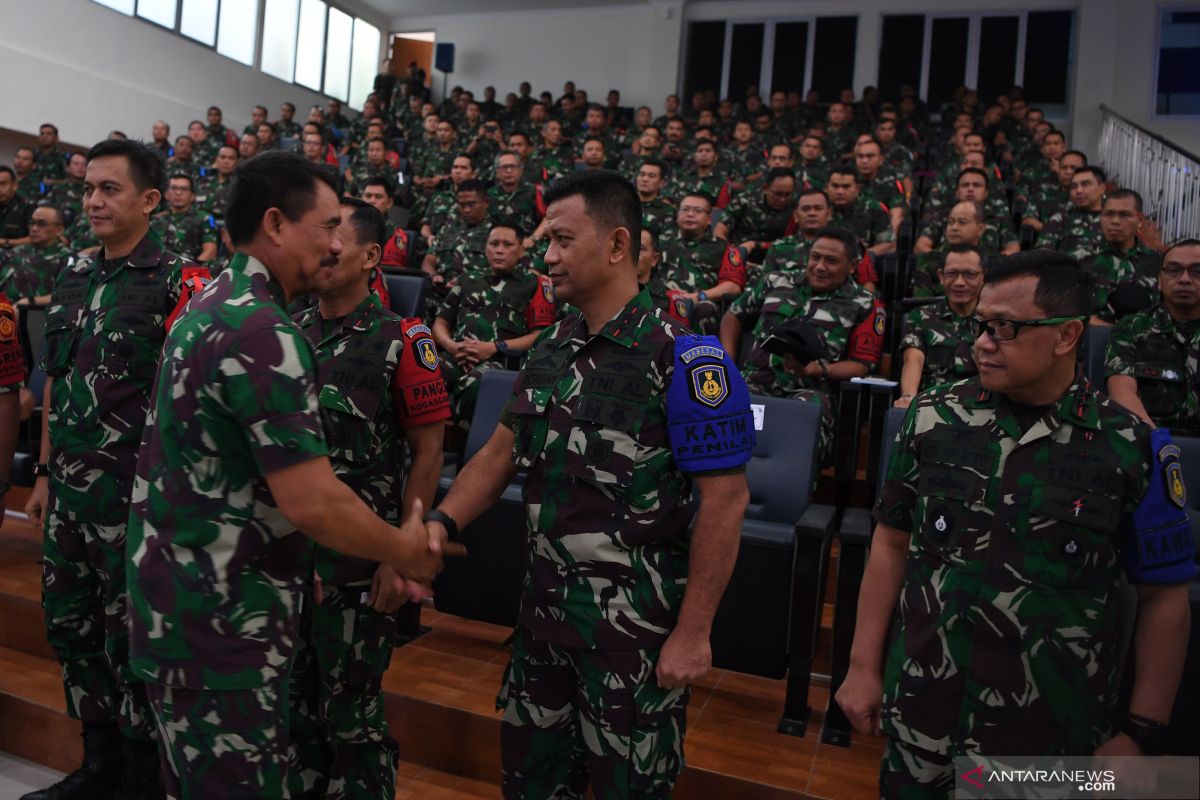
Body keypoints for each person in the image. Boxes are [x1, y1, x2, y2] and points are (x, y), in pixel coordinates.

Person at [124, 151, 460, 798]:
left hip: (186, 609)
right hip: (224, 623)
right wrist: (406, 550)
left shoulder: (214, 305)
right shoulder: (262, 329)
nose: (337, 244)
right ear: (276, 225)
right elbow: (312, 503)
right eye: (328, 225)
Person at [428, 170, 753, 798]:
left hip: (630, 640)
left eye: (560, 240)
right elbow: (499, 454)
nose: (544, 256)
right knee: (530, 784)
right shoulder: (551, 345)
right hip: (541, 625)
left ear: (616, 245)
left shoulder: (689, 358)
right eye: (545, 240)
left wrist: (693, 631)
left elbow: (726, 498)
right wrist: (441, 524)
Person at [836, 249, 1193, 799]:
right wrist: (863, 667)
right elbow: (890, 542)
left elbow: (1164, 598)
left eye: (1006, 328)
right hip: (924, 709)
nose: (982, 341)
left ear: (1067, 335)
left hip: (1047, 733)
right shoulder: (933, 415)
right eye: (982, 324)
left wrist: (1141, 732)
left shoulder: (1131, 447)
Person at [22, 138, 212, 800]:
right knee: (72, 630)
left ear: (151, 200)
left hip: (139, 501)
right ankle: (97, 767)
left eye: (110, 189)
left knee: (132, 642)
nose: (93, 201)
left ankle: (137, 780)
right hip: (72, 495)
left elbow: (193, 402)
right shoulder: (74, 273)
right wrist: (44, 472)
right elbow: (56, 379)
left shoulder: (180, 281)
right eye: (88, 189)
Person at [288, 197, 450, 800]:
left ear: (371, 256)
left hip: (357, 564)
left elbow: (428, 455)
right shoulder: (285, 332)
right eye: (319, 234)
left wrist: (400, 555)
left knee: (351, 718)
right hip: (284, 558)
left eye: (337, 237)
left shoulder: (402, 341)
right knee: (290, 712)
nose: (324, 250)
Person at [433, 222, 555, 427]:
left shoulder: (534, 285)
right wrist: (452, 346)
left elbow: (541, 334)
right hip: (457, 354)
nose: (499, 250)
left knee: (475, 384)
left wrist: (493, 347)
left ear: (521, 250)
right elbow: (440, 323)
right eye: (494, 244)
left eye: (507, 245)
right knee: (425, 372)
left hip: (499, 360)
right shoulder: (466, 280)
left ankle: (464, 445)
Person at [1105, 239, 1200, 436]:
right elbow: (1122, 392)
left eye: (1197, 272)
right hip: (1150, 441)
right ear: (1160, 279)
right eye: (1174, 270)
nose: (1184, 279)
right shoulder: (1132, 327)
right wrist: (1158, 443)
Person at [895, 244, 985, 408]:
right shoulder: (921, 316)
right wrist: (908, 396)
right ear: (941, 276)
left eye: (969, 274)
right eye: (951, 274)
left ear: (983, 277)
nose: (959, 282)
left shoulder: (994, 320)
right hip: (933, 407)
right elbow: (913, 359)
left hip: (981, 407)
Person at [1083, 189, 1162, 325]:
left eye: (1125, 215)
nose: (1115, 221)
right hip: (1093, 337)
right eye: (1109, 214)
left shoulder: (1158, 262)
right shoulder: (1081, 259)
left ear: (1140, 220)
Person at [0, 204, 71, 303]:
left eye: (41, 224)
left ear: (59, 230)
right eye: (32, 223)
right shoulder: (15, 252)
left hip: (33, 314)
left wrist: (31, 302)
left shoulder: (67, 258)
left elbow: (68, 296)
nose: (34, 228)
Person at [1038, 165, 1106, 260]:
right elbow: (1043, 255)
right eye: (1074, 186)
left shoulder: (1114, 219)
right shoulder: (1060, 219)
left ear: (1102, 188)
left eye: (1085, 184)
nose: (1078, 191)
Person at [151, 173, 218, 262]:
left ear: (192, 196)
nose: (178, 193)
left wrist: (190, 271)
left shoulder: (205, 218)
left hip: (190, 271)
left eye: (184, 189)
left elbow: (210, 252)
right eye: (174, 188)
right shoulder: (156, 220)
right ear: (166, 194)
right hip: (156, 269)